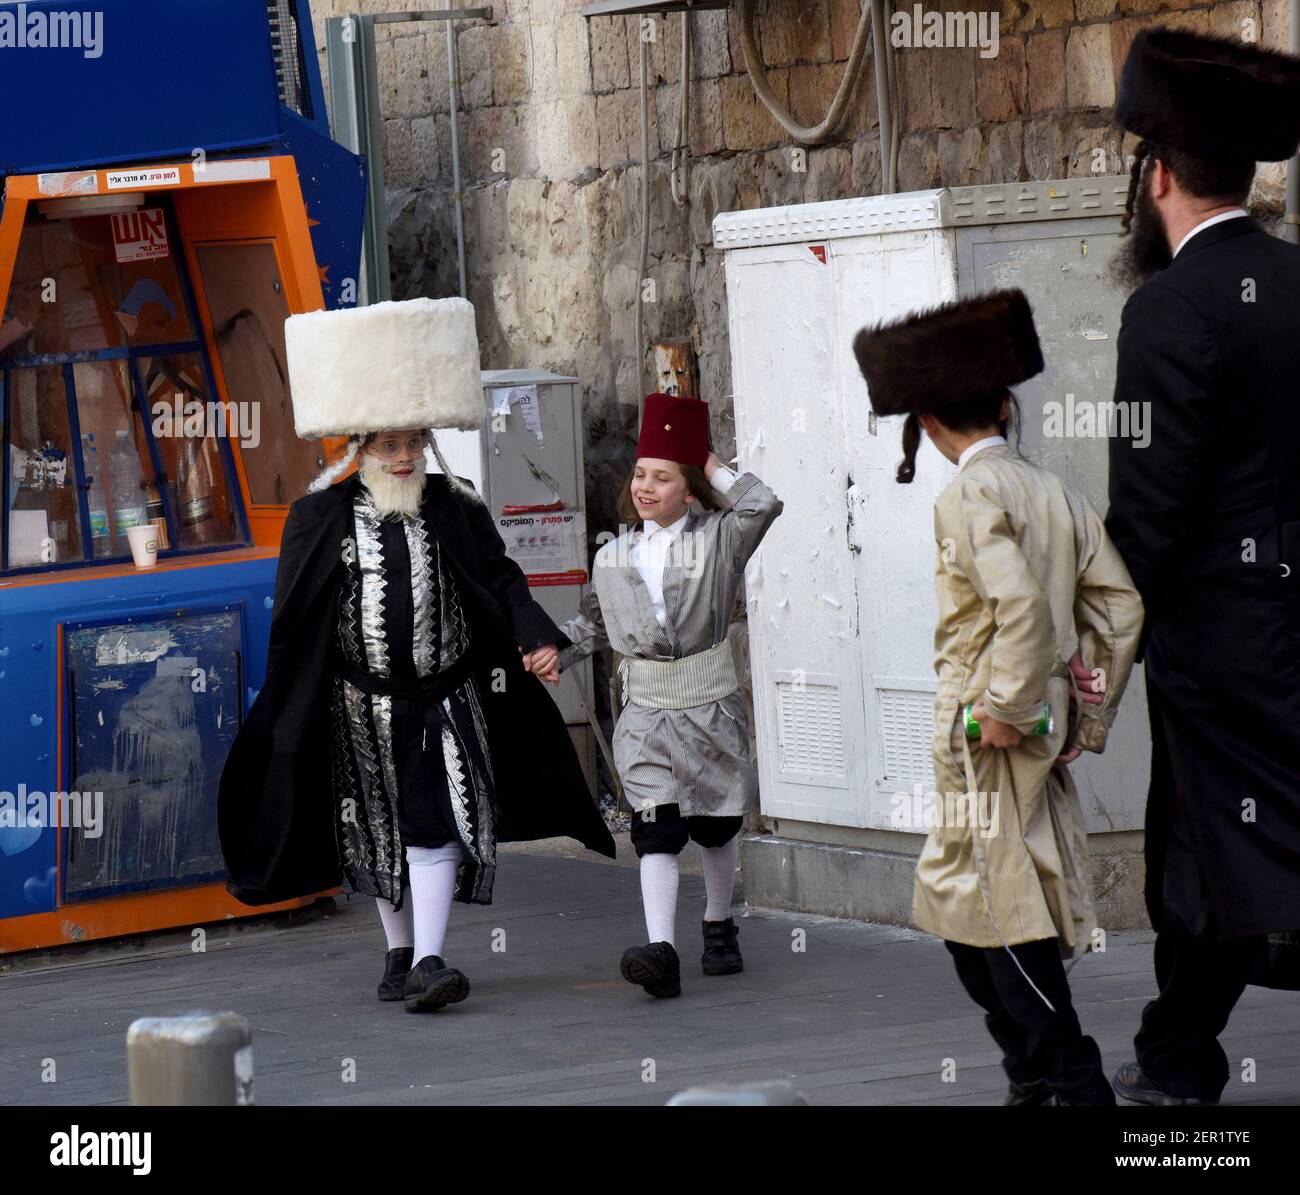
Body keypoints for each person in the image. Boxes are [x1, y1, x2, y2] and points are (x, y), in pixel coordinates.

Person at [218, 297, 614, 1013]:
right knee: (378, 826)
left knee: (436, 822)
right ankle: (400, 955)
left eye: (412, 442)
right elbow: (297, 620)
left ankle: (431, 958)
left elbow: (500, 580)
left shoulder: (456, 507)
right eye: (387, 445)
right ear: (359, 450)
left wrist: (536, 637)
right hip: (358, 704)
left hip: (445, 697)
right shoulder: (319, 518)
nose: (402, 457)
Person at [1079, 28, 1300, 1105]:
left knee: (1217, 853)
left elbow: (1148, 514)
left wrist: (1096, 653)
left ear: (1154, 175)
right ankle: (1175, 1050)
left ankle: (1175, 1060)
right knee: (1222, 854)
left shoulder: (1164, 310)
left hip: (1221, 652)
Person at [854, 289, 1144, 1105]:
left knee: (1003, 911)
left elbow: (1017, 607)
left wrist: (1009, 714)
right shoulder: (1051, 489)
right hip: (1018, 721)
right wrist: (1084, 709)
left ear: (931, 424)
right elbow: (1119, 608)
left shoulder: (968, 496)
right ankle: (1032, 1073)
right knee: (967, 909)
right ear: (1006, 407)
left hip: (989, 730)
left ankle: (1070, 1080)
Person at [538, 393, 783, 998]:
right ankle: (662, 949)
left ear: (690, 489)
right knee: (655, 827)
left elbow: (764, 502)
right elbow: (594, 626)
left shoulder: (722, 540)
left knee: (718, 824)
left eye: (663, 476)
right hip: (644, 713)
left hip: (709, 705)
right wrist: (555, 651)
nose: (646, 486)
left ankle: (719, 924)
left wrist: (706, 456)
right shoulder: (611, 555)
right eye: (641, 474)